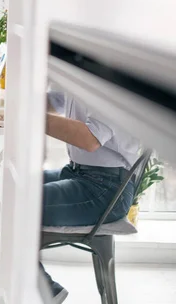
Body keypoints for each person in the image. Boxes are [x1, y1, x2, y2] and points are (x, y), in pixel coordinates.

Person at [42, 87, 140, 303]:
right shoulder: (78, 69)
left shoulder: (109, 79)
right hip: (79, 172)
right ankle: (44, 288)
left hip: (106, 189)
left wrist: (29, 115)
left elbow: (90, 139)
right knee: (15, 186)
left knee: (21, 202)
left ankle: (43, 289)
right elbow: (53, 100)